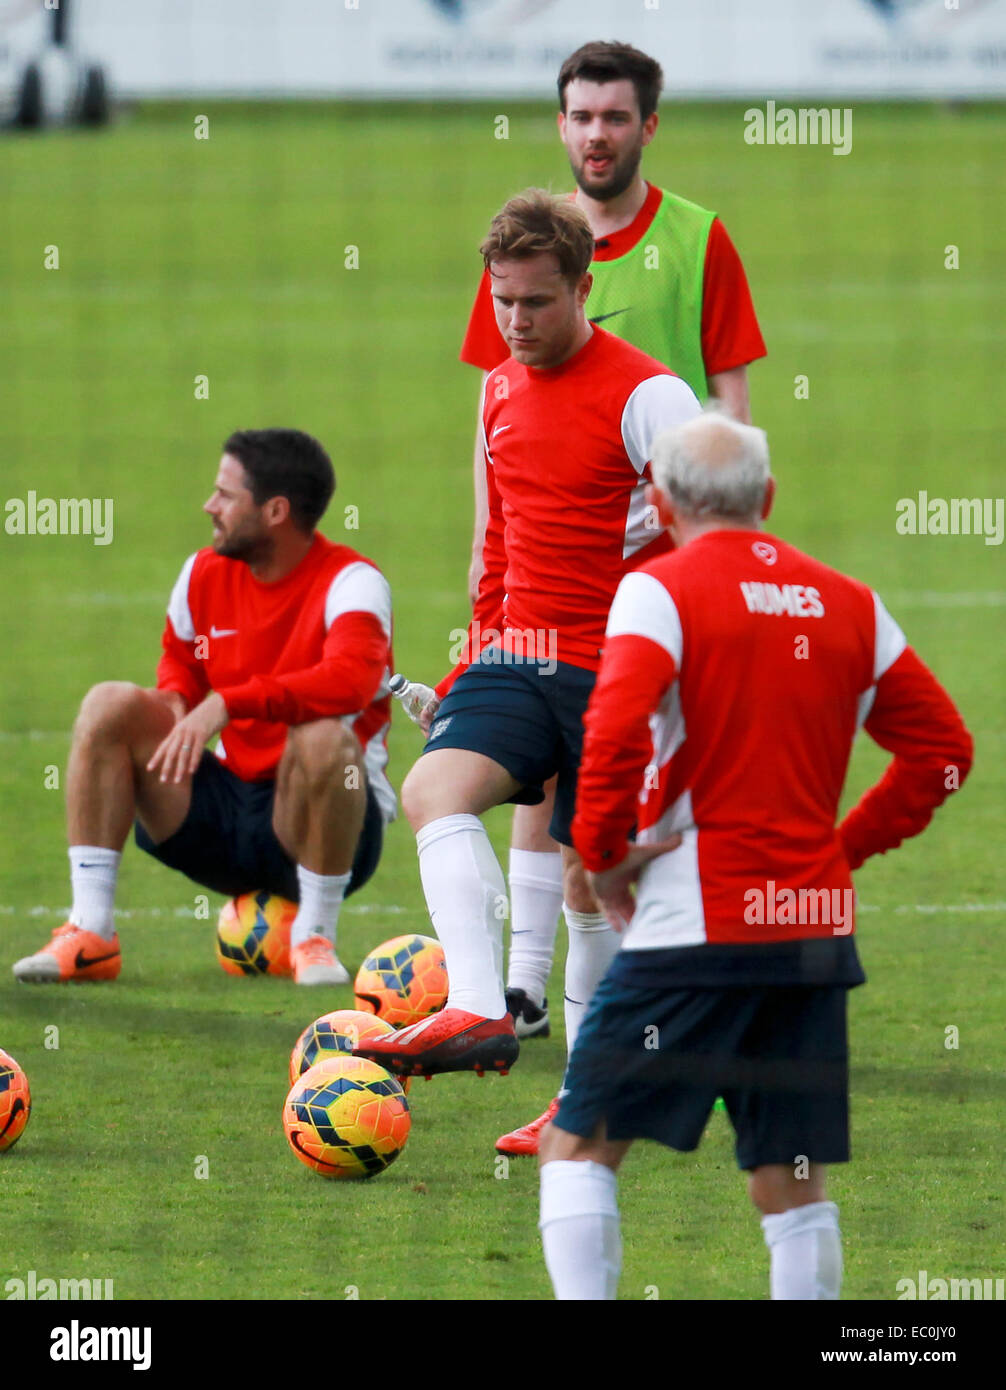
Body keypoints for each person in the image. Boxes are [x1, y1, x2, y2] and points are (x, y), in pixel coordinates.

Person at [537, 410, 974, 1300]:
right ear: (767, 498)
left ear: (659, 501)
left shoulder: (658, 590)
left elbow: (613, 732)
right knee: (791, 1177)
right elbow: (946, 753)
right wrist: (839, 851)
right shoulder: (850, 603)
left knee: (578, 1143)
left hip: (693, 925)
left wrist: (604, 852)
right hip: (810, 934)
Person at [459, 41, 766, 1152]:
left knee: (657, 838)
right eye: (579, 115)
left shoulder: (693, 239)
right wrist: (487, 593)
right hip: (566, 586)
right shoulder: (519, 259)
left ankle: (672, 1035)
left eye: (615, 116)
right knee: (572, 809)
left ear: (647, 124)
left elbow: (727, 403)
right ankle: (531, 997)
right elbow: (501, 431)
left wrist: (728, 548)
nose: (596, 133)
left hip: (669, 574)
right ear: (559, 126)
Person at [353, 190, 701, 1081]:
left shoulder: (650, 395)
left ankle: (585, 1092)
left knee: (591, 883)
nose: (515, 320)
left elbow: (713, 535)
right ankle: (478, 1008)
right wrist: (468, 666)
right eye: (502, 300)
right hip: (516, 656)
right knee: (435, 789)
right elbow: (501, 550)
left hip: (621, 673)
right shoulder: (498, 388)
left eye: (536, 301)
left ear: (583, 287)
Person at [13, 428, 395, 987]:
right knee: (109, 704)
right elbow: (181, 666)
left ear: (275, 511)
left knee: (325, 739)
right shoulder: (202, 573)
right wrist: (174, 703)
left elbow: (350, 683)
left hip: (317, 825)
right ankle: (90, 931)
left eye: (225, 495)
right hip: (224, 814)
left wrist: (230, 703)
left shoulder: (354, 582)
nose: (208, 507)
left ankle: (314, 937)